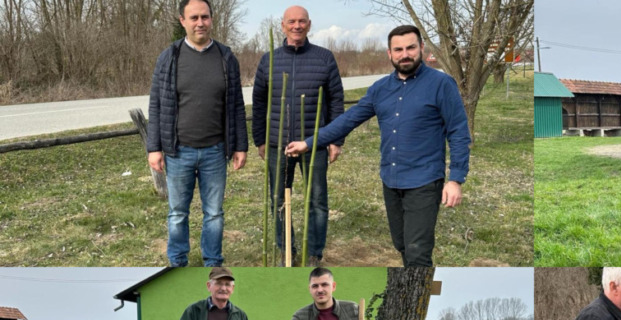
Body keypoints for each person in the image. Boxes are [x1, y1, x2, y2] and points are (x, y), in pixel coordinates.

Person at [285, 24, 471, 267]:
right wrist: (308, 143)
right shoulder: (380, 89)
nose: (405, 54)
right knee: (402, 245)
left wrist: (455, 179)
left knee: (418, 251)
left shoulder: (441, 84)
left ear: (422, 48)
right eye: (398, 49)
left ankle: (416, 294)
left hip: (424, 181)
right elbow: (347, 121)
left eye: (411, 48)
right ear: (389, 54)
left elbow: (458, 132)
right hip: (391, 180)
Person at [147, 0, 248, 267]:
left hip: (216, 150)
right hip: (178, 151)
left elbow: (237, 105)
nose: (200, 22)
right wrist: (154, 148)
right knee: (177, 213)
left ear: (212, 19)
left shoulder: (226, 57)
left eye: (204, 17)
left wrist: (240, 146)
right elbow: (157, 104)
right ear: (182, 21)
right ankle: (177, 263)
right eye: (194, 18)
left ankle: (213, 262)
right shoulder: (170, 57)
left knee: (214, 213)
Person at [252, 5, 345, 266]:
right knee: (279, 199)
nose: (297, 26)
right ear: (283, 25)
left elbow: (336, 100)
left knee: (317, 199)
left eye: (302, 21)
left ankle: (314, 252)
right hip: (277, 144)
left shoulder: (324, 58)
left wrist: (336, 139)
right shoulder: (268, 60)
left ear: (309, 24)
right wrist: (260, 139)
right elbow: (259, 103)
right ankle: (286, 248)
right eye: (291, 21)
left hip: (314, 143)